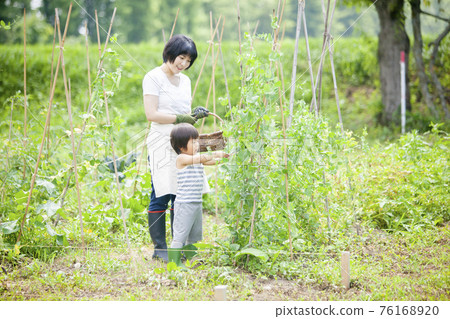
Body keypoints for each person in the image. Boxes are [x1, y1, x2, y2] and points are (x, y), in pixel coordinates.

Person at [143, 34, 209, 261]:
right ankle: (159, 248)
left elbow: (184, 114)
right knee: (161, 193)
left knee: (180, 194)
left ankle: (176, 245)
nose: (184, 64)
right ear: (170, 53)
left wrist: (193, 115)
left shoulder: (186, 81)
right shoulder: (153, 77)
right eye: (181, 58)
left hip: (181, 143)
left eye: (189, 61)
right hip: (161, 141)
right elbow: (151, 114)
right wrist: (180, 116)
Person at [168, 123, 229, 267]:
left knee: (194, 235)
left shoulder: (196, 158)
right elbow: (202, 158)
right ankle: (174, 263)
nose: (197, 145)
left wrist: (225, 158)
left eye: (197, 141)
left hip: (196, 203)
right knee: (180, 234)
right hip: (184, 204)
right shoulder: (182, 159)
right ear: (181, 147)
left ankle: (191, 259)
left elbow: (211, 161)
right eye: (193, 142)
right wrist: (215, 153)